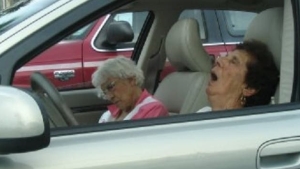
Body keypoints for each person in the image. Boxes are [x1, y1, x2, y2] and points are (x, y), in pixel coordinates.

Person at [198, 40, 279, 112]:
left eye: (233, 62)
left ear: (249, 88)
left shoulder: (245, 127)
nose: (218, 60)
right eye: (226, 56)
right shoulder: (204, 112)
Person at [92, 56, 168, 122]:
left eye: (111, 87)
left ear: (131, 80)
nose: (109, 96)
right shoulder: (108, 114)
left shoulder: (153, 109)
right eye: (105, 92)